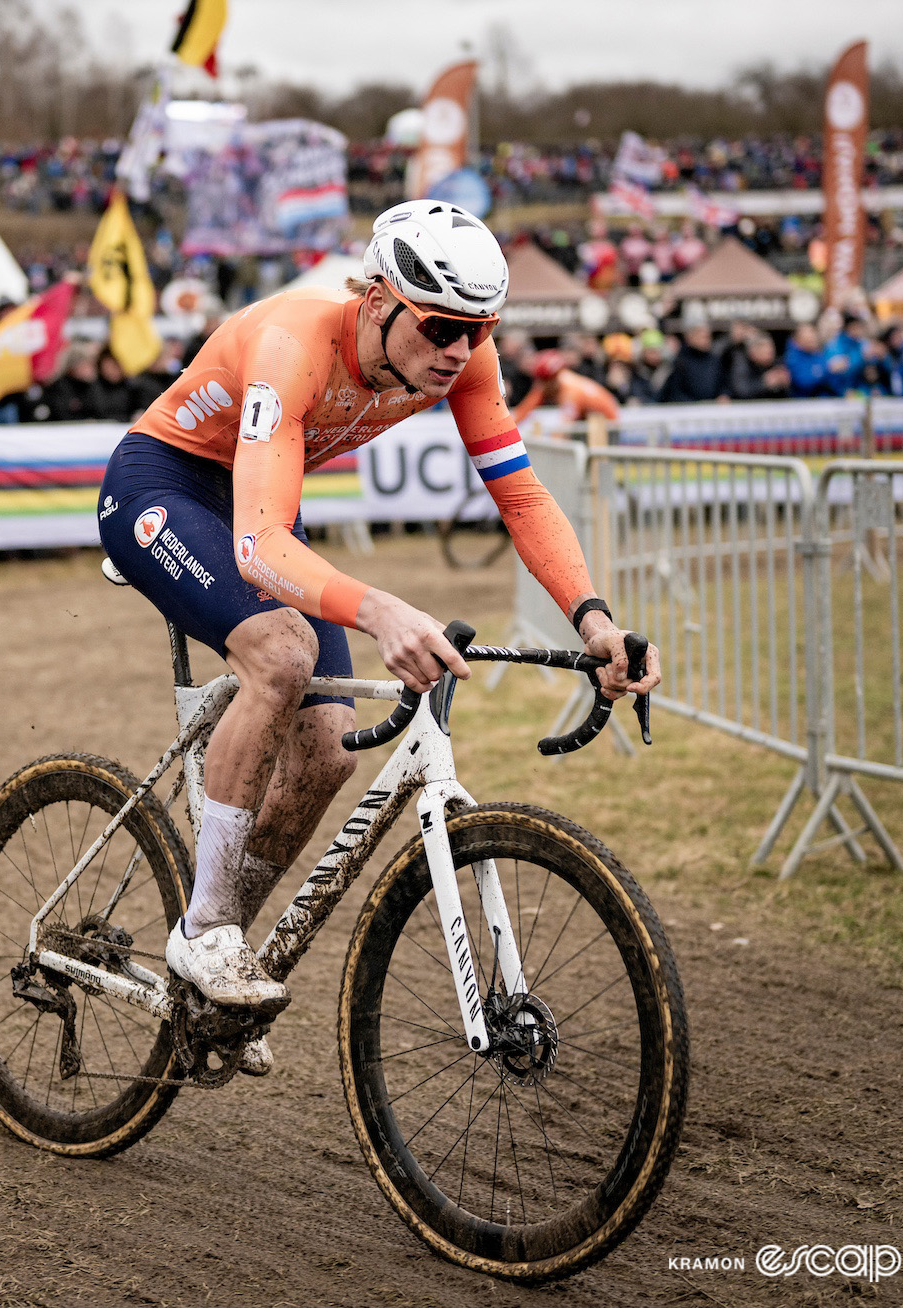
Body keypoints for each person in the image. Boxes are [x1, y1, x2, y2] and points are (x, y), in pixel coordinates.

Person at [98, 201, 659, 1075]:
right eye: (440, 327)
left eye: (478, 332)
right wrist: (382, 609)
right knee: (280, 656)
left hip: (257, 504)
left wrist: (593, 617)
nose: (458, 352)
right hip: (164, 487)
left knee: (326, 758)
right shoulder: (295, 340)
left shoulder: (460, 360)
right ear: (377, 299)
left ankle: (221, 953)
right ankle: (204, 932)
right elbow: (256, 545)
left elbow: (521, 496)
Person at [510, 349, 621, 426]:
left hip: (607, 423)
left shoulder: (570, 390)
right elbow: (524, 409)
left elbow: (564, 427)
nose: (540, 386)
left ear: (553, 379)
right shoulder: (547, 384)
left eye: (544, 382)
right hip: (589, 421)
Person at [658, 323, 726, 403]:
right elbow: (674, 392)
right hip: (688, 410)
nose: (706, 341)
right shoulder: (680, 361)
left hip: (712, 408)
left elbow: (723, 384)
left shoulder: (714, 360)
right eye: (702, 337)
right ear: (690, 338)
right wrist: (694, 404)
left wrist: (723, 395)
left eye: (708, 337)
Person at [725, 333, 792, 401]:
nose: (770, 355)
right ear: (753, 353)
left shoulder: (777, 364)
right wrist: (764, 383)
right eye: (766, 352)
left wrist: (785, 383)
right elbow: (741, 391)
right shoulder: (742, 364)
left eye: (771, 351)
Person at [784, 323, 831, 397]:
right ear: (798, 340)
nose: (812, 342)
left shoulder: (819, 354)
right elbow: (803, 382)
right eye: (809, 340)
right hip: (801, 403)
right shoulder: (792, 358)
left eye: (813, 338)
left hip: (823, 401)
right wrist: (826, 370)